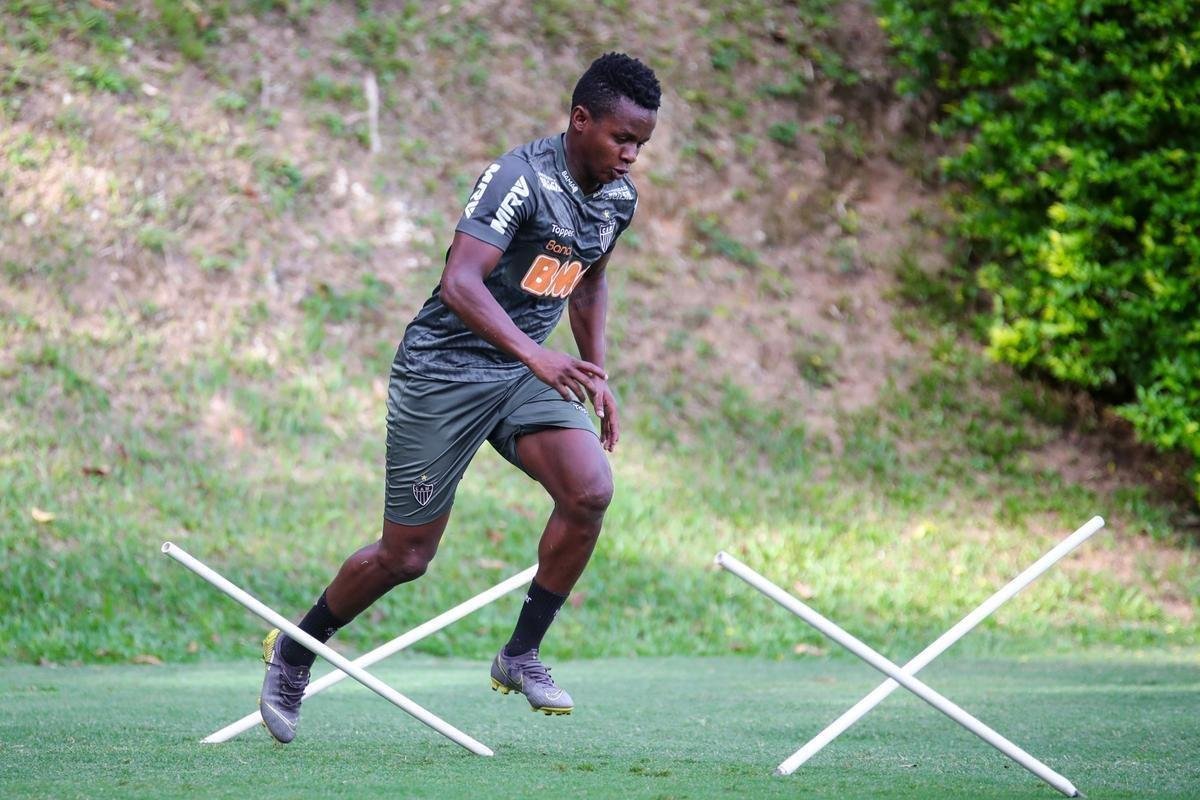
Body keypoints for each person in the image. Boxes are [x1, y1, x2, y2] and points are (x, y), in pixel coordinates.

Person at [257, 52, 661, 743]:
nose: (630, 156)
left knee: (591, 489)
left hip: (524, 376)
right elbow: (461, 285)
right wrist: (538, 353)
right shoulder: (517, 179)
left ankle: (521, 654)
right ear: (581, 119)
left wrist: (594, 373)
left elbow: (589, 282)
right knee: (405, 557)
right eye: (621, 138)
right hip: (444, 371)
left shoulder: (618, 200)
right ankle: (297, 649)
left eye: (641, 145)